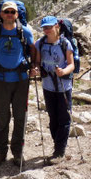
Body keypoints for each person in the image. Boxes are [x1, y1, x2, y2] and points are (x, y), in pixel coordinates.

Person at [0, 1, 37, 167]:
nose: (9, 14)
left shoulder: (24, 31)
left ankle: (17, 152)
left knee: (20, 117)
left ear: (17, 14)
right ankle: (0, 152)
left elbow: (34, 49)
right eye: (7, 12)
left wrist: (34, 66)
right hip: (1, 79)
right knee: (2, 117)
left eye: (13, 12)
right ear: (1, 14)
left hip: (21, 80)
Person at [34, 16, 74, 161]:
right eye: (44, 27)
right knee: (53, 118)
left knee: (64, 118)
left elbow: (71, 64)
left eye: (49, 27)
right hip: (48, 86)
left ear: (57, 26)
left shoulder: (65, 43)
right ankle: (58, 146)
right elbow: (37, 62)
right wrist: (36, 69)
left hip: (64, 86)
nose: (46, 30)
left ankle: (59, 151)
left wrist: (64, 71)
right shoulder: (40, 43)